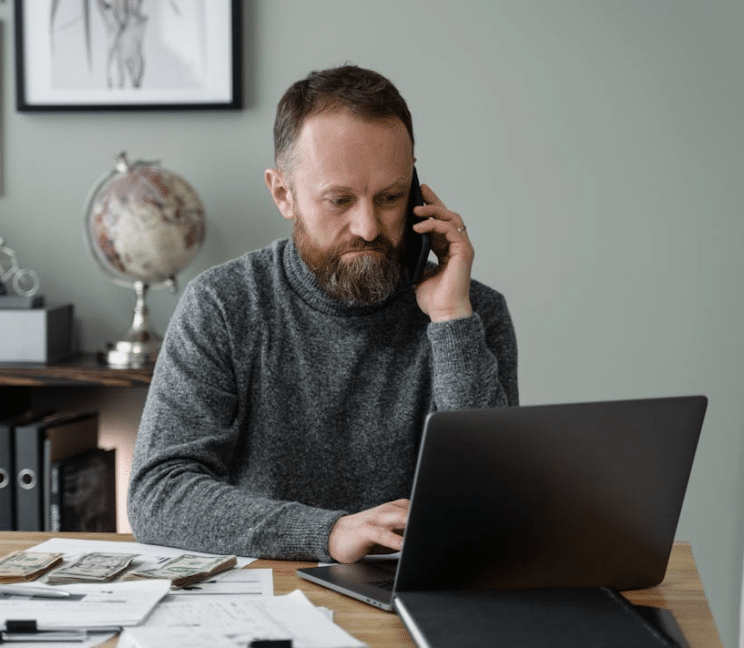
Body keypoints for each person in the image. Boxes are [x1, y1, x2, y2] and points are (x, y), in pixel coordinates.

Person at [128, 65, 518, 563]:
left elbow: (495, 504)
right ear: (283, 193)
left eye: (391, 198)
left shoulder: (470, 313)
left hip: (421, 595)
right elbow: (158, 494)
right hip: (269, 592)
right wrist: (329, 532)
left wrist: (450, 322)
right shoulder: (224, 305)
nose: (369, 227)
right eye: (340, 200)